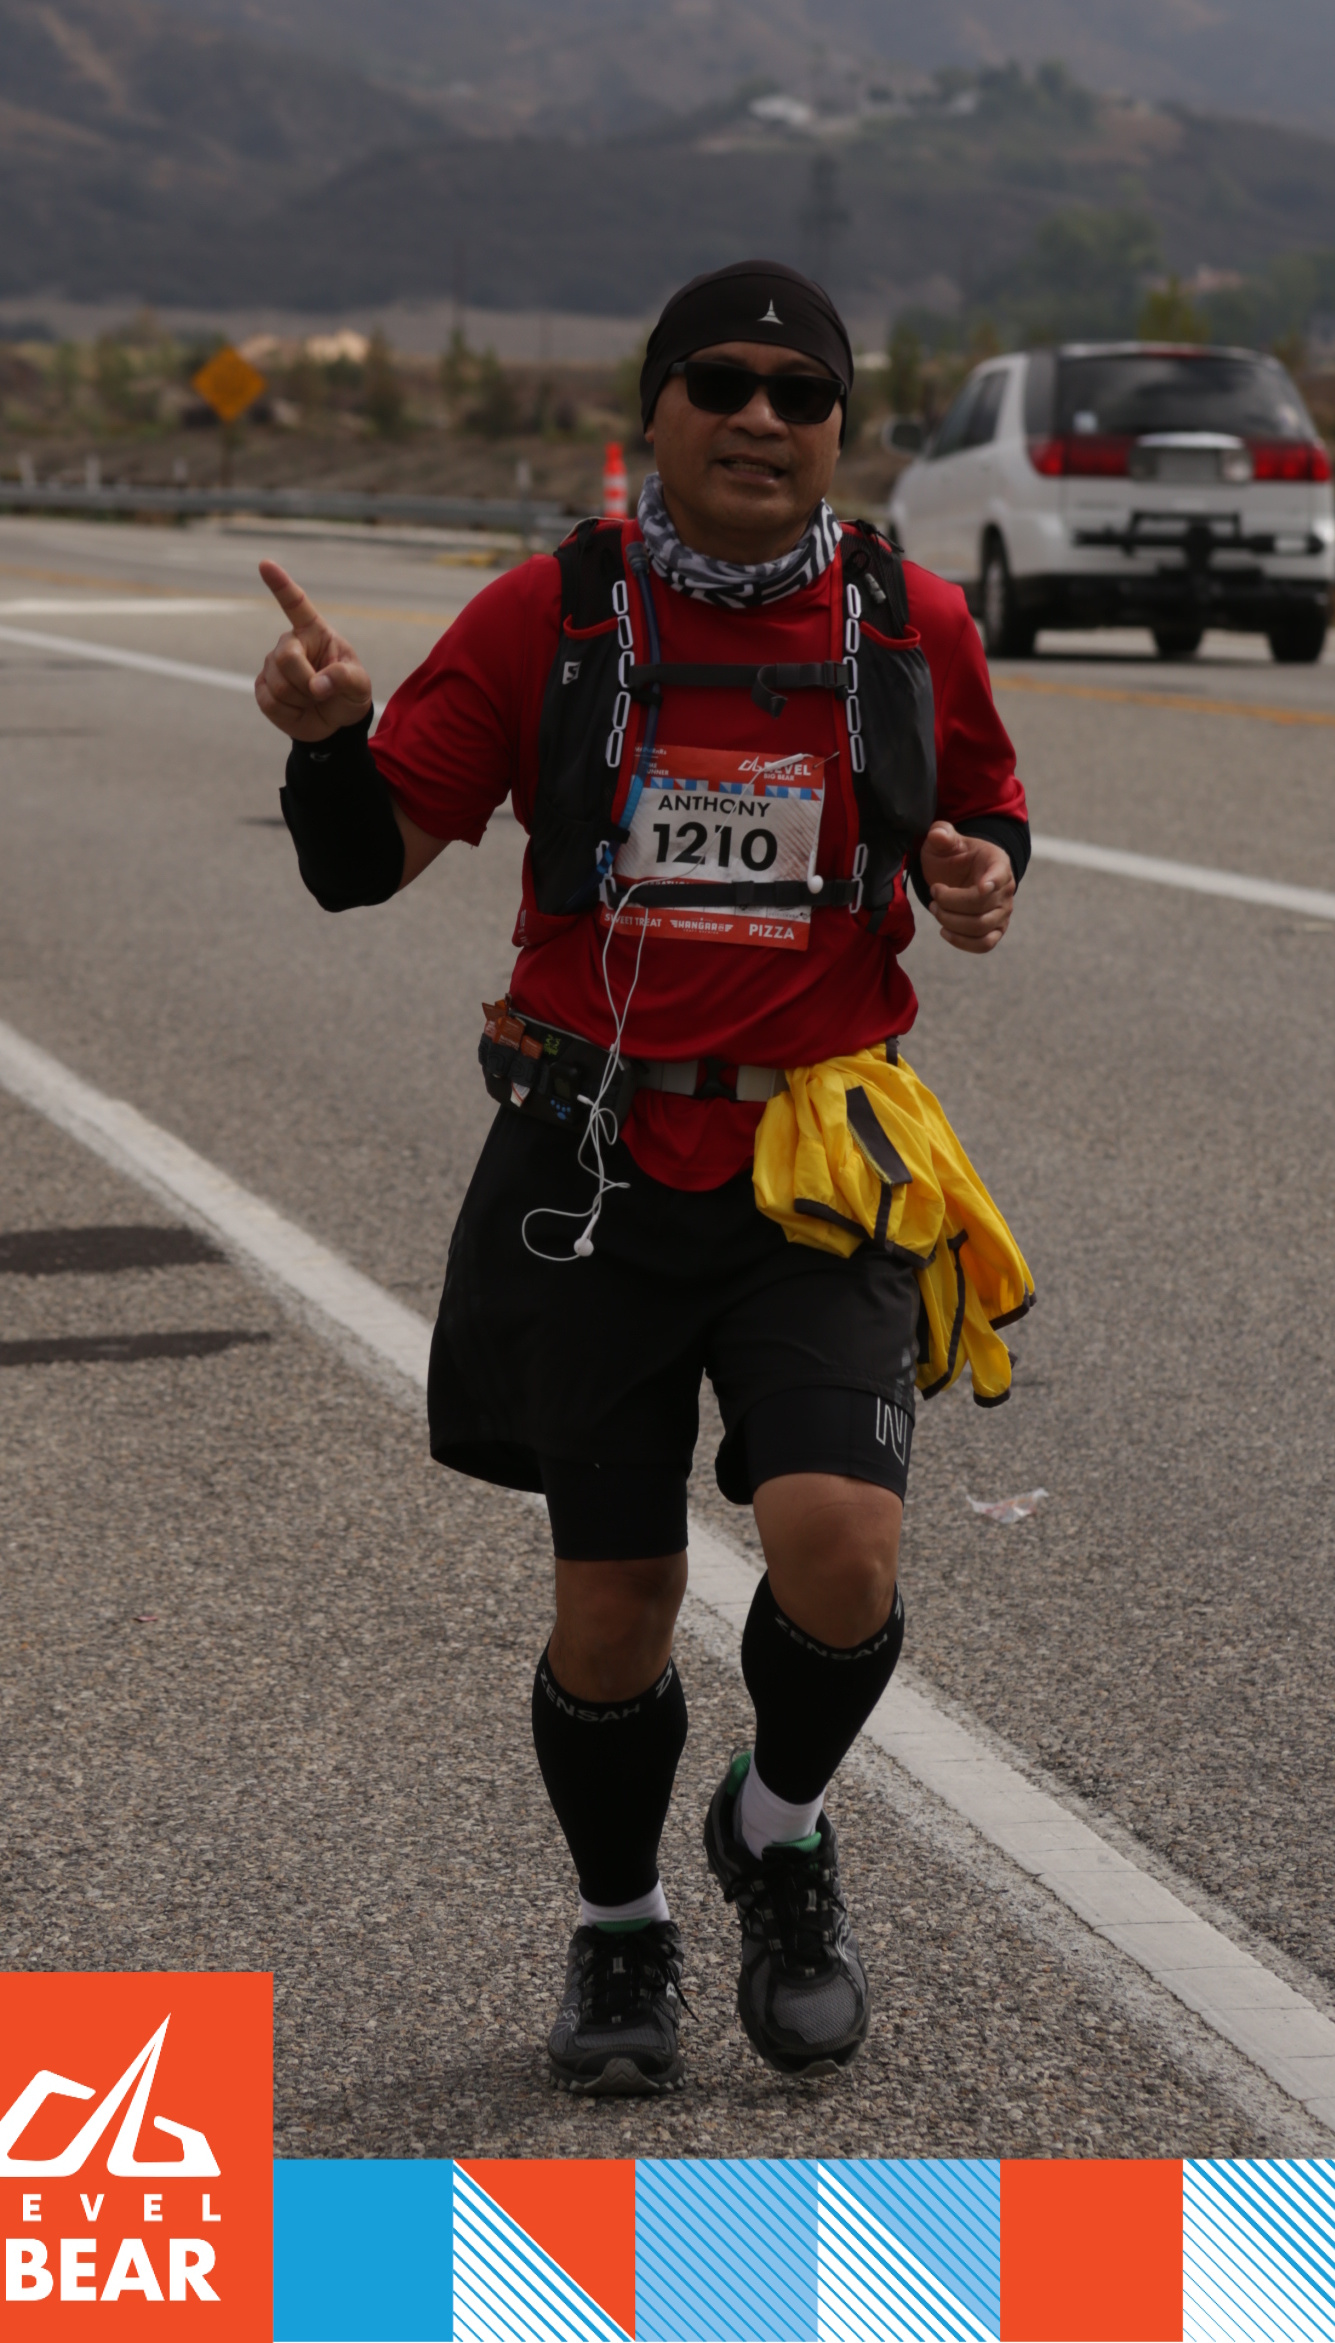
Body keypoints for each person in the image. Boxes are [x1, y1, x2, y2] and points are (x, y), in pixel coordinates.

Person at [255, 261, 1029, 2097]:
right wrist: (328, 748)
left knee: (842, 1548)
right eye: (721, 383)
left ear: (840, 430)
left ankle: (777, 1828)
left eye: (800, 392)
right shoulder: (549, 616)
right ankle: (621, 1928)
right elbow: (364, 865)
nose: (761, 416)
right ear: (656, 411)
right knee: (613, 1608)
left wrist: (984, 873)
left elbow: (982, 811)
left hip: (816, 1164)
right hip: (588, 1169)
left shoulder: (907, 619)